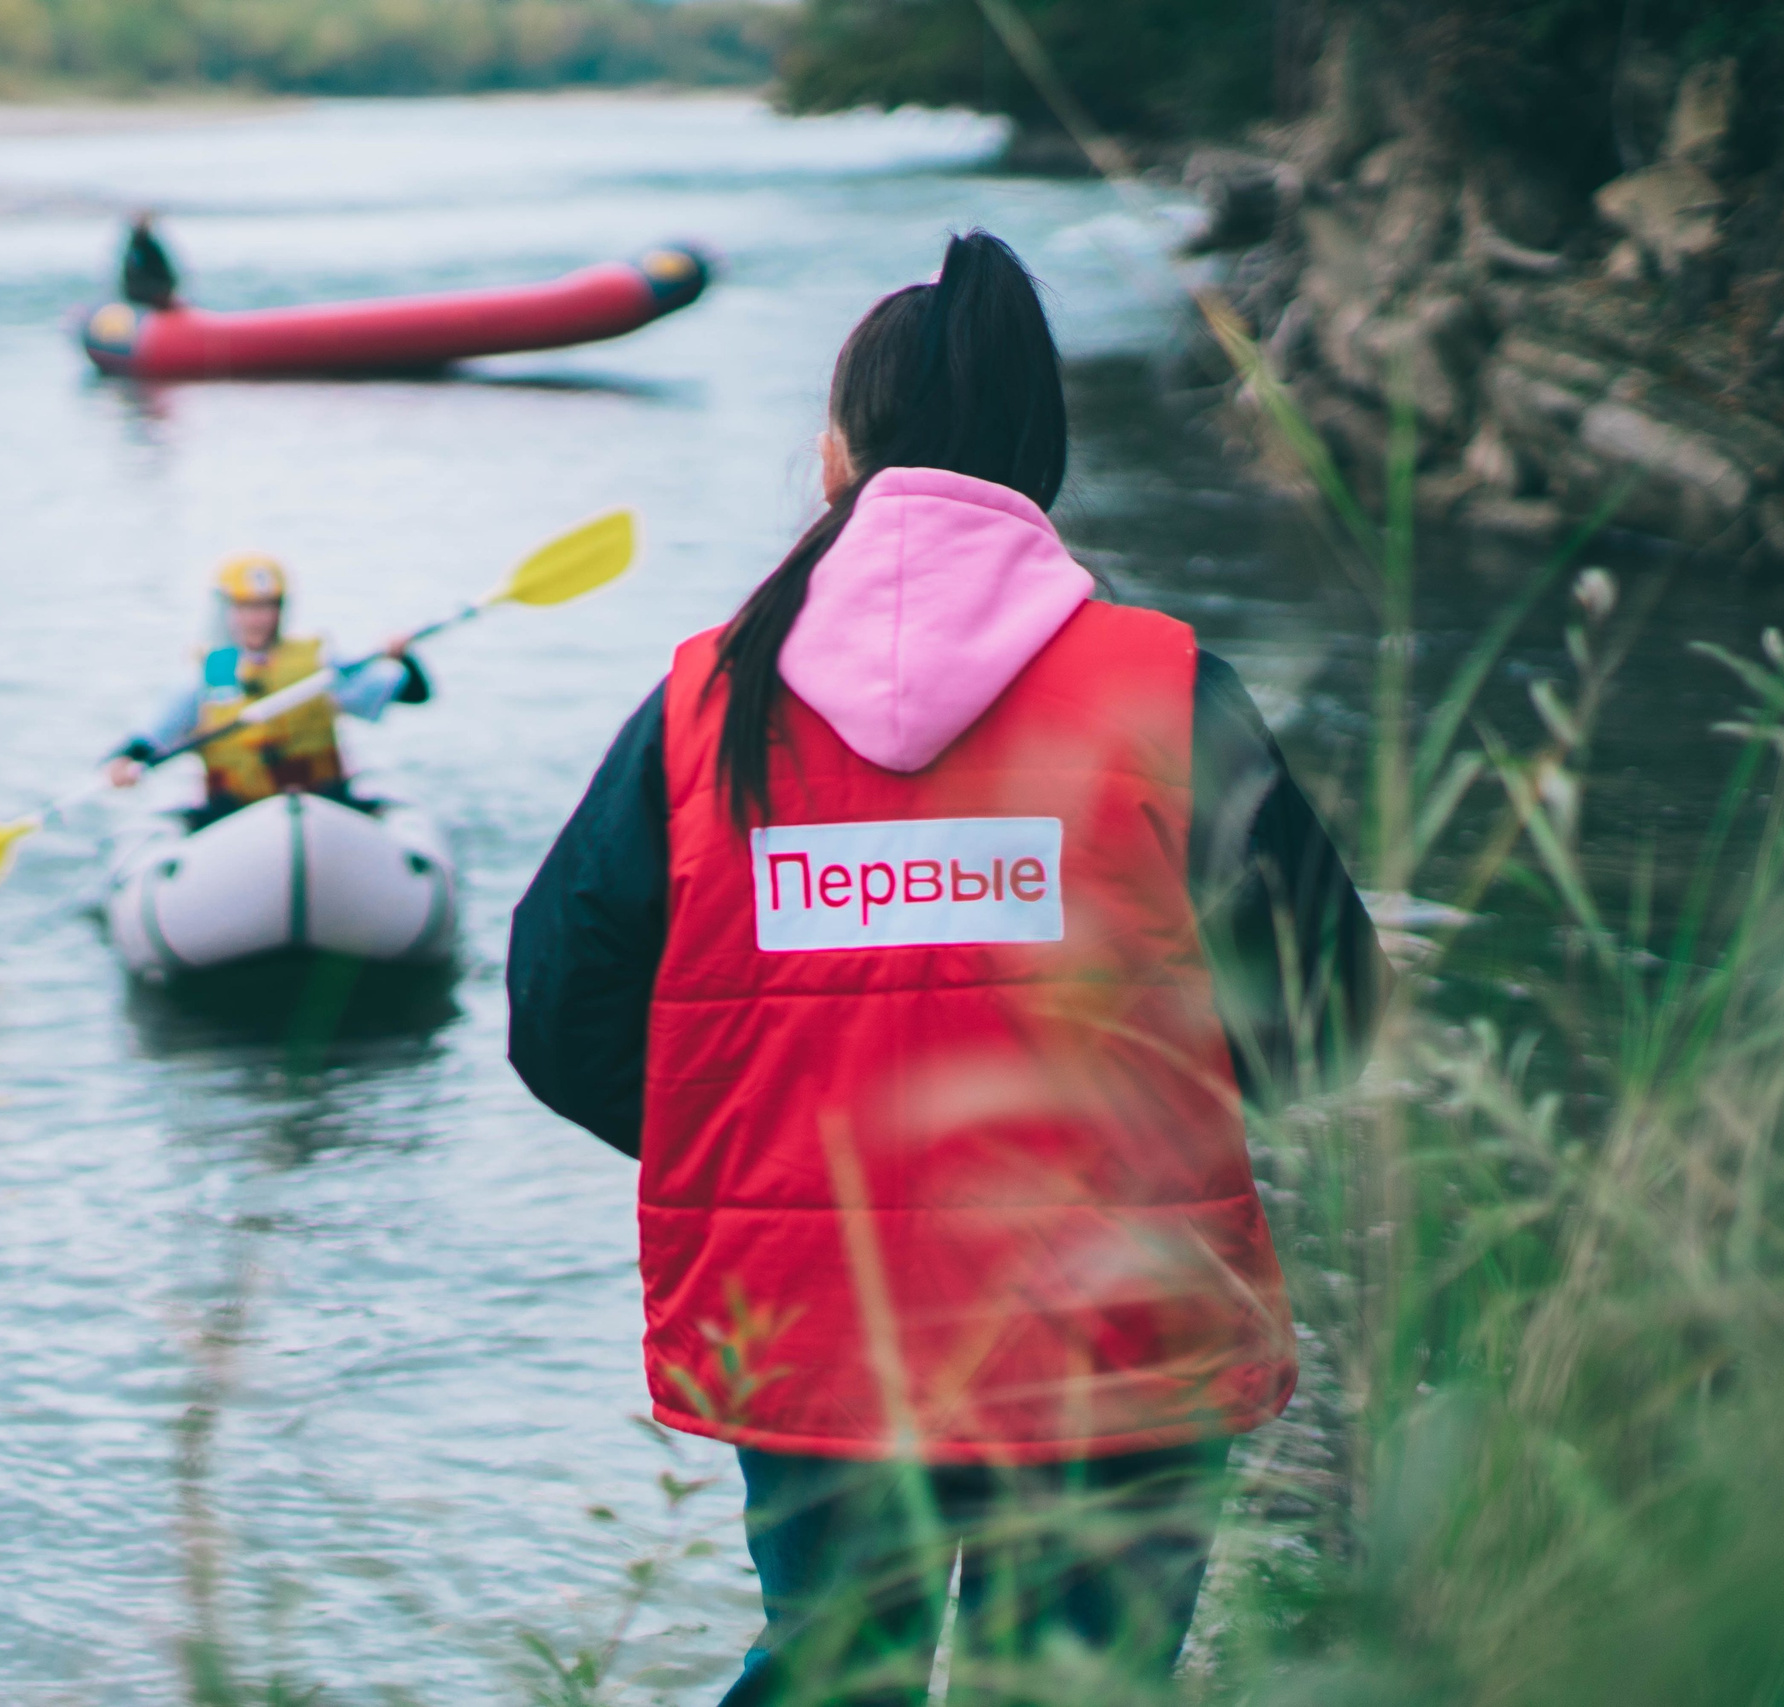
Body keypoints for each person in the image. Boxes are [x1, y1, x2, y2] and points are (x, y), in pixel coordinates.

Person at [505, 231, 1385, 1707]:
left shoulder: (704, 705)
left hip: (814, 1311)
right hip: (1120, 1311)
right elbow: (1327, 1010)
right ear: (1038, 456)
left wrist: (767, 1136)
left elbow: (556, 1011)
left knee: (831, 1672)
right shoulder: (1166, 688)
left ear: (838, 453)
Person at [108, 553, 430, 826]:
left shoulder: (318, 663)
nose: (257, 619)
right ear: (229, 610)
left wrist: (406, 658)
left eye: (267, 607)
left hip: (322, 809)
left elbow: (416, 694)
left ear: (280, 610)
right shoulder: (212, 673)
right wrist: (124, 762)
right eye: (247, 608)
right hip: (234, 815)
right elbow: (148, 740)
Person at [120, 212, 179, 311]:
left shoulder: (143, 244)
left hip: (154, 294)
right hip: (148, 297)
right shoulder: (138, 246)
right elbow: (134, 274)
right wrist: (159, 291)